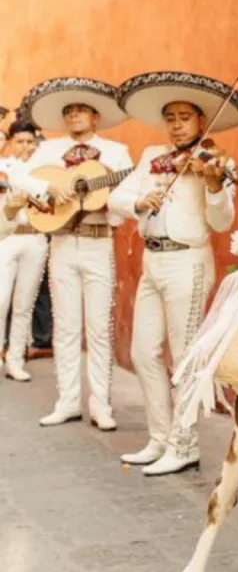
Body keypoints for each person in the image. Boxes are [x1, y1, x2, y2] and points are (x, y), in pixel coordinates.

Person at [110, 70, 238, 476]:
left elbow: (222, 222)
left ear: (201, 122)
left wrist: (213, 186)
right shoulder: (152, 157)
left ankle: (184, 443)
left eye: (184, 118)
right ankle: (159, 438)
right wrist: (142, 197)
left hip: (188, 263)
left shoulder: (215, 162)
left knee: (184, 357)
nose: (176, 125)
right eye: (170, 118)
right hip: (153, 260)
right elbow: (118, 198)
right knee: (142, 353)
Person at [11, 77, 133, 430]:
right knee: (65, 327)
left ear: (96, 117)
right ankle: (67, 401)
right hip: (63, 242)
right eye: (69, 111)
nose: (74, 115)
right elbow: (18, 176)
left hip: (98, 242)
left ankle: (101, 404)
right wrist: (49, 187)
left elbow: (128, 199)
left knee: (97, 327)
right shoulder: (49, 152)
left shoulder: (117, 153)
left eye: (81, 110)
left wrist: (110, 196)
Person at [0, 118, 45, 381]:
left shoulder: (44, 170)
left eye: (30, 141)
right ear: (10, 142)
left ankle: (16, 360)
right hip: (7, 239)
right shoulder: (3, 168)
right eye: (20, 141)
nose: (25, 147)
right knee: (0, 299)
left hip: (36, 238)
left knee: (24, 303)